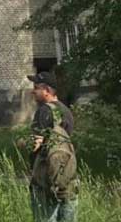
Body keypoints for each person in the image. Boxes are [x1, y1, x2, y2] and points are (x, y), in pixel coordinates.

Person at [24, 73, 77, 221]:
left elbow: (35, 145)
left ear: (46, 90)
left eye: (36, 88)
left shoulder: (44, 111)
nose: (33, 91)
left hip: (45, 183)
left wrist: (22, 142)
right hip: (67, 182)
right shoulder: (66, 111)